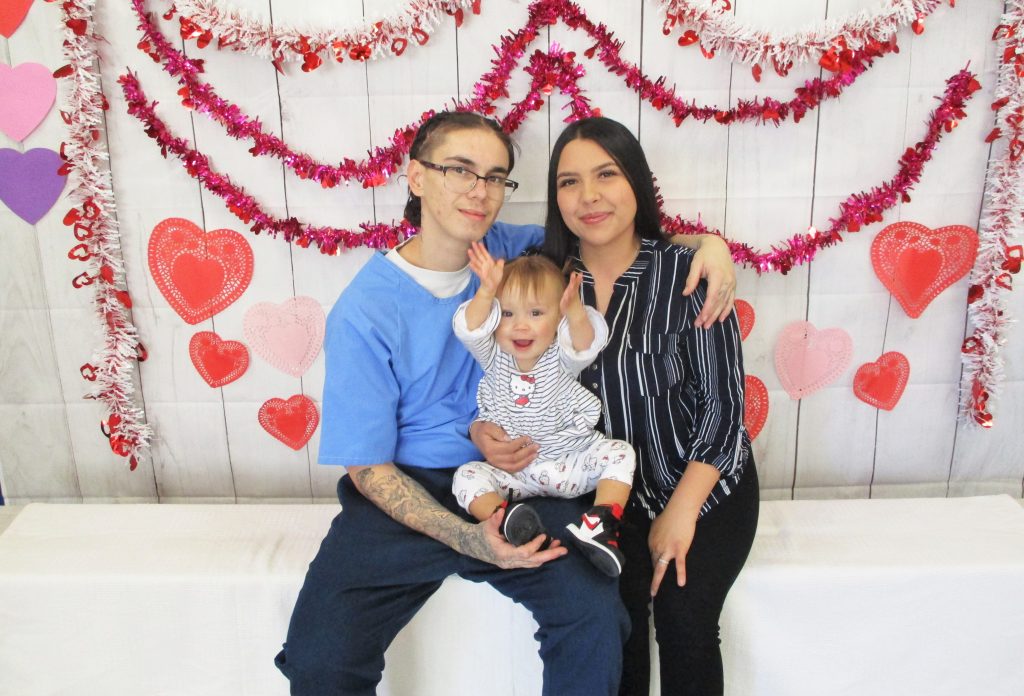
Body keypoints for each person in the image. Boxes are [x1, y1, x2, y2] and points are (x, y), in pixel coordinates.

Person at [275, 111, 737, 696]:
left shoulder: (513, 255)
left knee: (593, 614)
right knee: (321, 659)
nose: (480, 191)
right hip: (405, 494)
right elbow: (368, 469)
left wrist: (709, 245)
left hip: (524, 479)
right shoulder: (364, 311)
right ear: (416, 177)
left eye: (495, 177)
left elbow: (608, 234)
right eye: (460, 170)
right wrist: (470, 536)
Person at [475, 116, 758, 696]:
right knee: (614, 629)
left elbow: (726, 409)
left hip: (703, 481)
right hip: (601, 495)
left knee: (685, 623)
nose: (590, 196)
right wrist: (484, 428)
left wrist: (679, 513)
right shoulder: (541, 276)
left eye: (607, 174)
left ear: (637, 182)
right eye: (569, 182)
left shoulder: (688, 273)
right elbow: (496, 366)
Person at [452, 244, 635, 577]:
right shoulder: (493, 356)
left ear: (558, 321)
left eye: (536, 314)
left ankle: (599, 523)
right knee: (465, 478)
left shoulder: (561, 357)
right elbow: (469, 328)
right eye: (508, 314)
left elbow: (585, 344)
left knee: (620, 453)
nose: (521, 327)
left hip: (568, 464)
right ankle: (508, 521)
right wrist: (486, 292)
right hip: (515, 474)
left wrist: (576, 312)